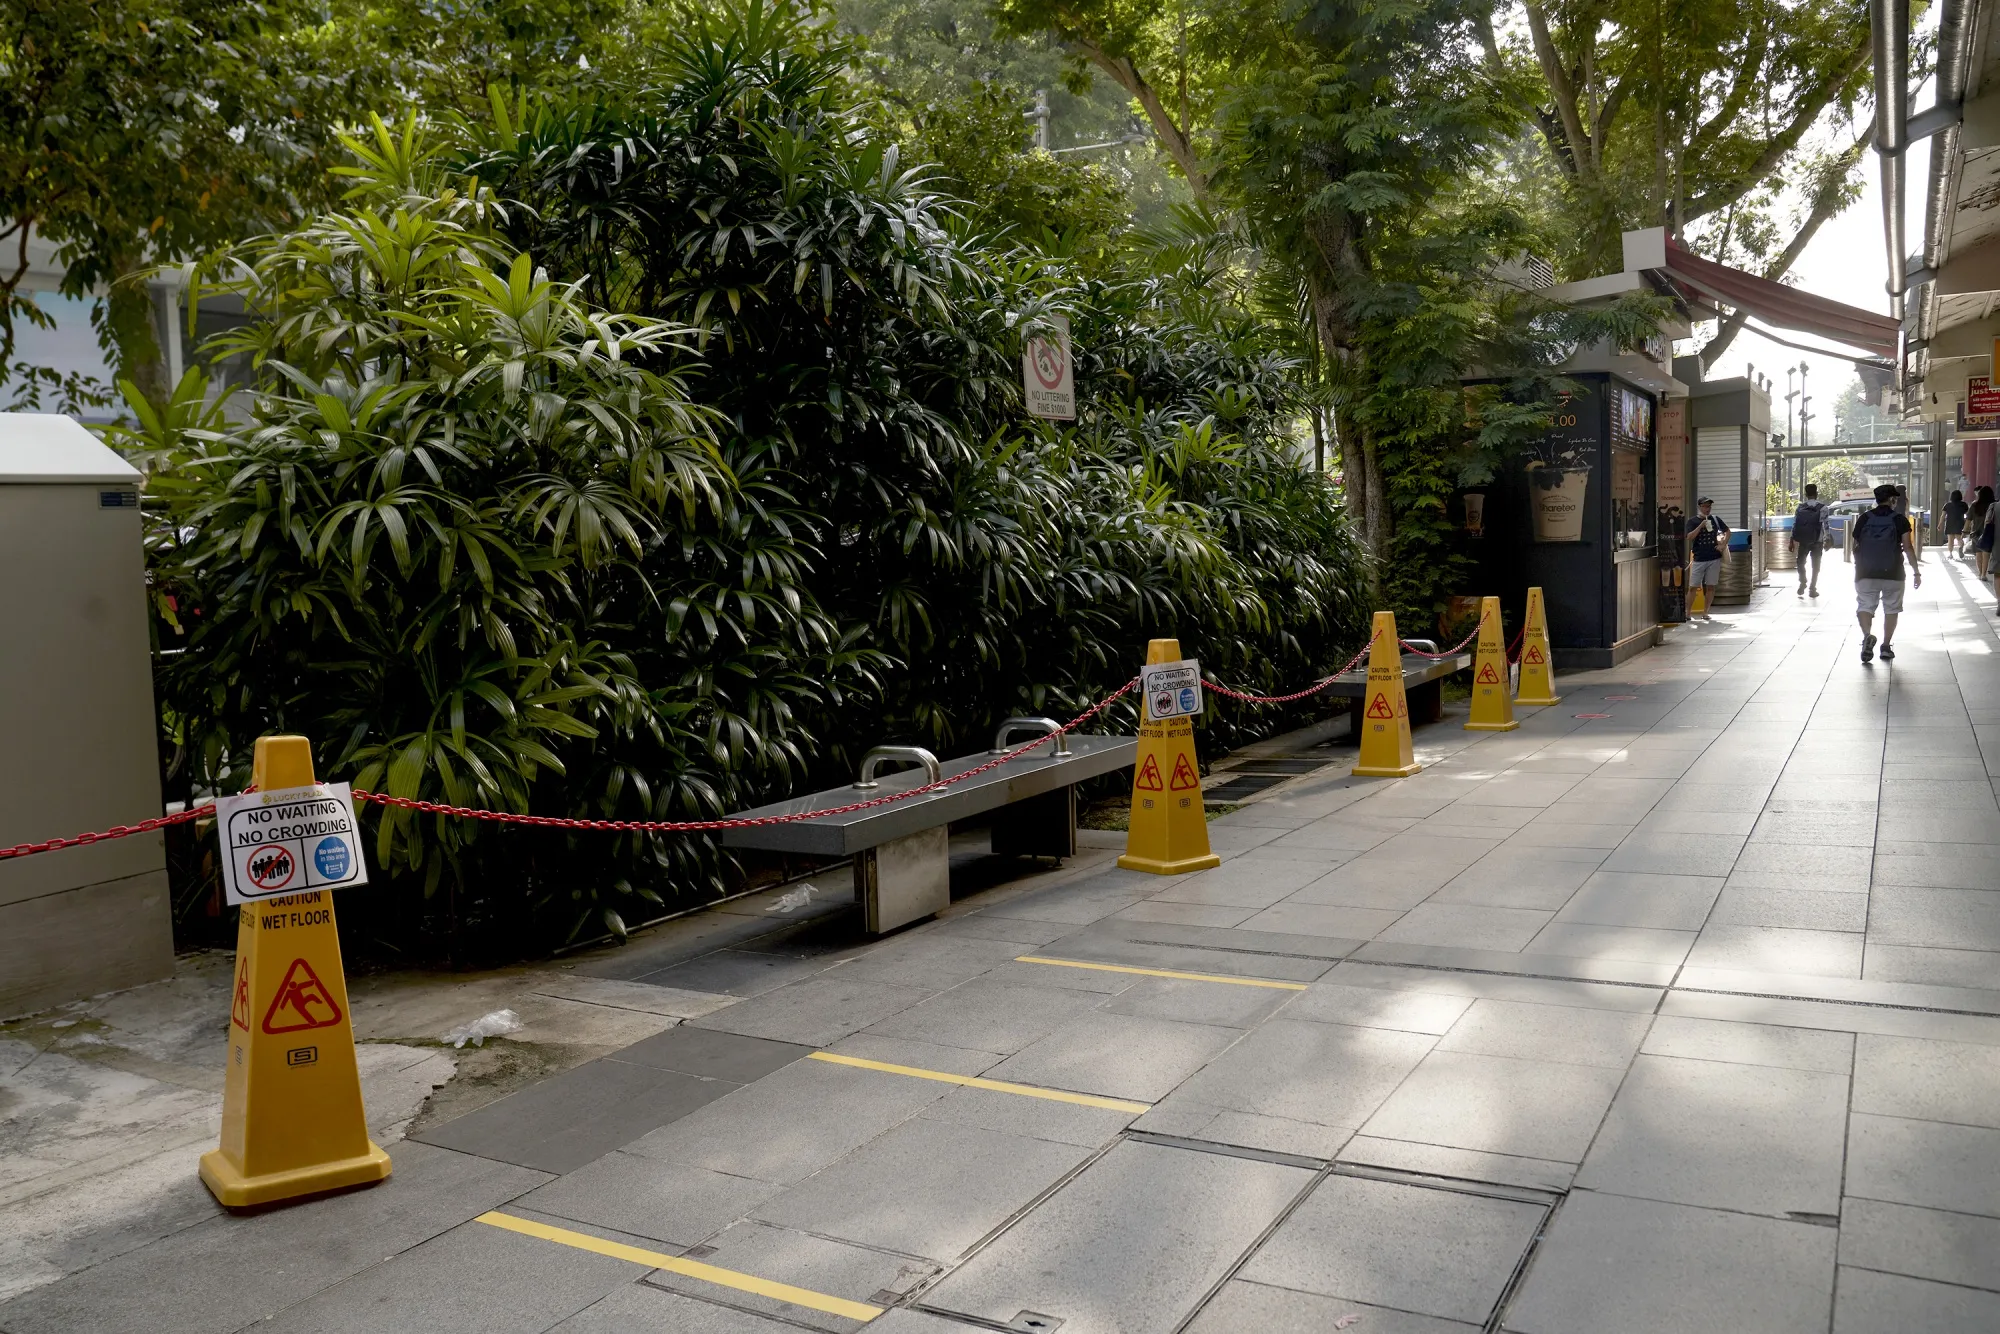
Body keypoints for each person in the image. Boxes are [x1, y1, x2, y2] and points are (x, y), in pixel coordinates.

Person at [1847, 482, 1922, 662]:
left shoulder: (1864, 518)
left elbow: (1855, 545)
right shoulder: (1899, 520)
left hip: (1865, 571)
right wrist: (1916, 572)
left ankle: (1867, 636)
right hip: (1893, 572)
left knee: (1864, 605)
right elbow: (1908, 547)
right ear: (1892, 499)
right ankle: (1886, 646)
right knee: (1891, 608)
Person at [1688, 497, 1729, 621]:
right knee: (1693, 586)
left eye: (1709, 507)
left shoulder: (1715, 519)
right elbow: (1689, 537)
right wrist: (1701, 525)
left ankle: (1706, 612)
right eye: (1705, 506)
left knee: (1710, 586)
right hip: (1699, 558)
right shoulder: (1692, 521)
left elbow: (1728, 531)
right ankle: (1687, 613)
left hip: (1714, 557)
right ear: (1699, 507)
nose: (1707, 509)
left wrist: (1723, 545)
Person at [1791, 484, 1829, 597]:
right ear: (1816, 494)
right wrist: (1827, 539)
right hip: (1818, 540)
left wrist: (1791, 539)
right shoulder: (1823, 508)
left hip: (1803, 540)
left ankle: (1803, 581)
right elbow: (1826, 525)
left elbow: (1794, 524)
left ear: (1806, 495)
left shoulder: (1800, 507)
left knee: (1800, 562)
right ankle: (1812, 589)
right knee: (1816, 566)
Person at [1973, 485, 1996, 580]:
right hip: (1990, 532)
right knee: (1986, 555)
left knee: (1978, 554)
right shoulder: (1994, 505)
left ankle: (1980, 573)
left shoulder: (1975, 505)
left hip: (1976, 532)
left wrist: (1965, 531)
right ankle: (1983, 574)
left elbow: (1968, 519)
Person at [1944, 489, 1969, 557]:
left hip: (1950, 523)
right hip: (1960, 523)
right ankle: (1961, 548)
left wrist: (1940, 524)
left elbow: (1943, 515)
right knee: (1959, 538)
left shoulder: (1948, 505)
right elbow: (1968, 515)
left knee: (1950, 540)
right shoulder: (1964, 504)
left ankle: (1950, 554)